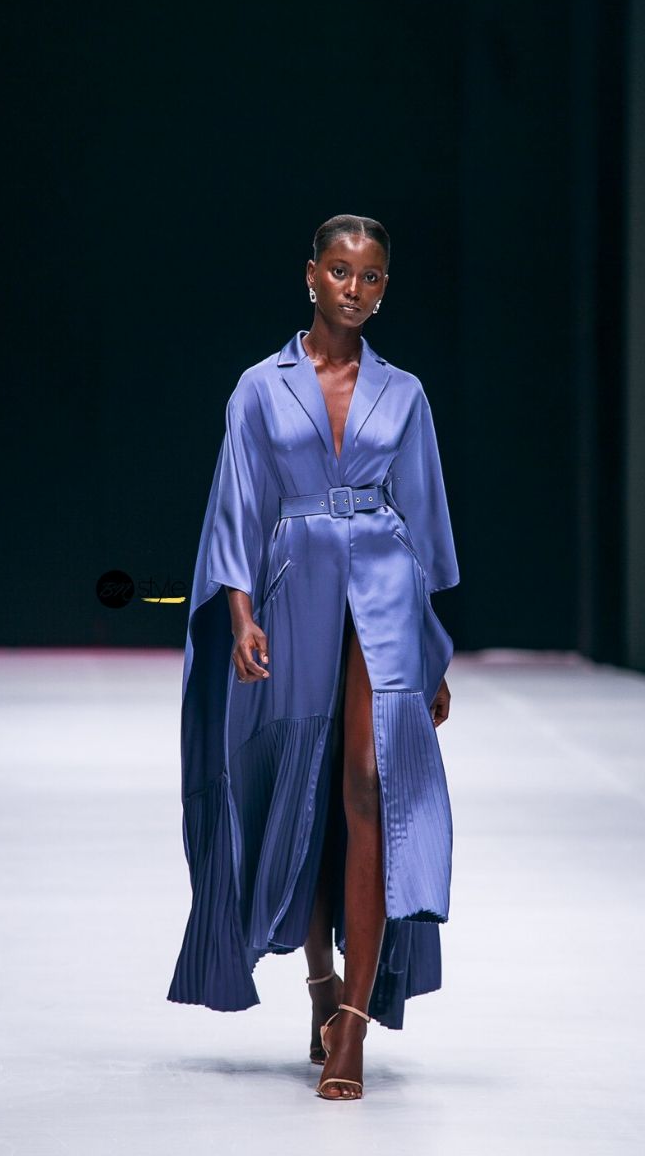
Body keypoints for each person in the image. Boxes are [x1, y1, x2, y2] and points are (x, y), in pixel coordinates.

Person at [167, 213, 460, 1101]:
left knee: (370, 782)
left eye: (369, 277)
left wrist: (433, 651)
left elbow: (425, 525)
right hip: (294, 592)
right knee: (305, 790)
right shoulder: (261, 387)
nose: (353, 289)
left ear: (384, 287)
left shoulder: (404, 393)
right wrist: (240, 614)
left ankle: (354, 1025)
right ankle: (321, 985)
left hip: (384, 594)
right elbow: (237, 503)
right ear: (310, 275)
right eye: (339, 271)